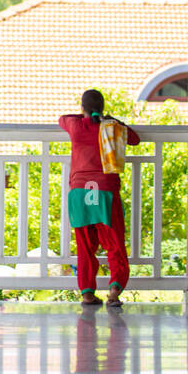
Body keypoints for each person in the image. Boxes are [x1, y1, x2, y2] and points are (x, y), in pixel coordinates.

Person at [58, 90, 140, 307]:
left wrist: (85, 116)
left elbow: (62, 119)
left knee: (85, 246)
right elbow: (134, 139)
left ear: (82, 108)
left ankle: (87, 293)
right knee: (114, 244)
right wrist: (111, 120)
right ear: (102, 108)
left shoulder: (75, 126)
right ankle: (114, 290)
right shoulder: (111, 128)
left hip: (80, 192)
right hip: (104, 191)